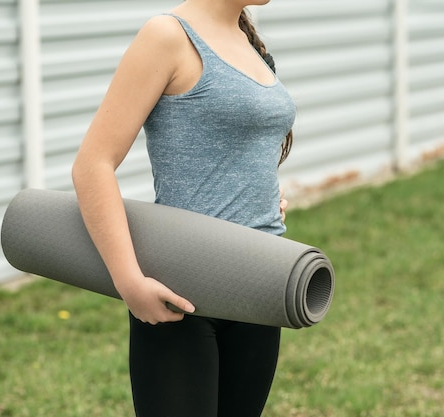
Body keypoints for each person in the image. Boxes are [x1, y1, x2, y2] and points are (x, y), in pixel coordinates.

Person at [72, 0, 295, 415]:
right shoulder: (167, 36)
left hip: (259, 285)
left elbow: (237, 153)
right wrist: (130, 282)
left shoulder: (248, 42)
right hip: (181, 294)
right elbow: (92, 165)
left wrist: (263, 198)